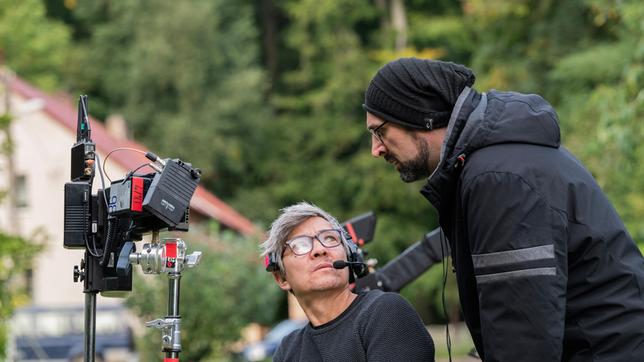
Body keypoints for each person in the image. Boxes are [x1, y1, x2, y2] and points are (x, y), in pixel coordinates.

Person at [362, 57, 644, 361]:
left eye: (379, 131)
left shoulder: (496, 178)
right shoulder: (496, 161)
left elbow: (521, 337)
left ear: (420, 117)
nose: (376, 149)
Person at [261, 202, 435, 362]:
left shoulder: (385, 312)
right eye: (299, 245)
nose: (320, 249)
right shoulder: (288, 350)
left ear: (350, 255)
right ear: (282, 278)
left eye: (330, 238)